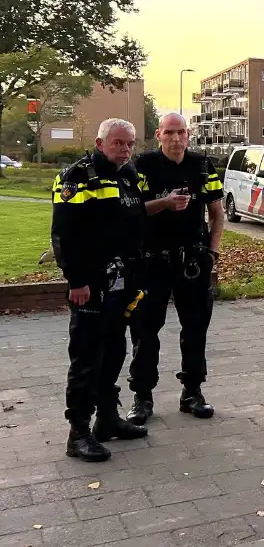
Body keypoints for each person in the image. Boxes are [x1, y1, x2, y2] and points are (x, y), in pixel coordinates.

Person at [51, 118, 168, 461]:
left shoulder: (129, 175)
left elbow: (134, 223)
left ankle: (107, 418)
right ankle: (78, 433)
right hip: (90, 283)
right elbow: (64, 235)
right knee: (87, 357)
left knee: (115, 350)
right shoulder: (77, 177)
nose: (125, 149)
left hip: (123, 281)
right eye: (118, 143)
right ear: (100, 143)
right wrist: (76, 280)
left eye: (130, 143)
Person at [126, 114, 224, 425]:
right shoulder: (143, 166)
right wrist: (164, 203)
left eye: (181, 132)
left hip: (192, 261)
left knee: (195, 329)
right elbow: (131, 210)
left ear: (189, 134)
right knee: (144, 330)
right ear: (159, 135)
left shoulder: (202, 165)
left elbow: (217, 213)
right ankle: (142, 397)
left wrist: (213, 253)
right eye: (170, 132)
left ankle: (192, 392)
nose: (176, 138)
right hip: (152, 261)